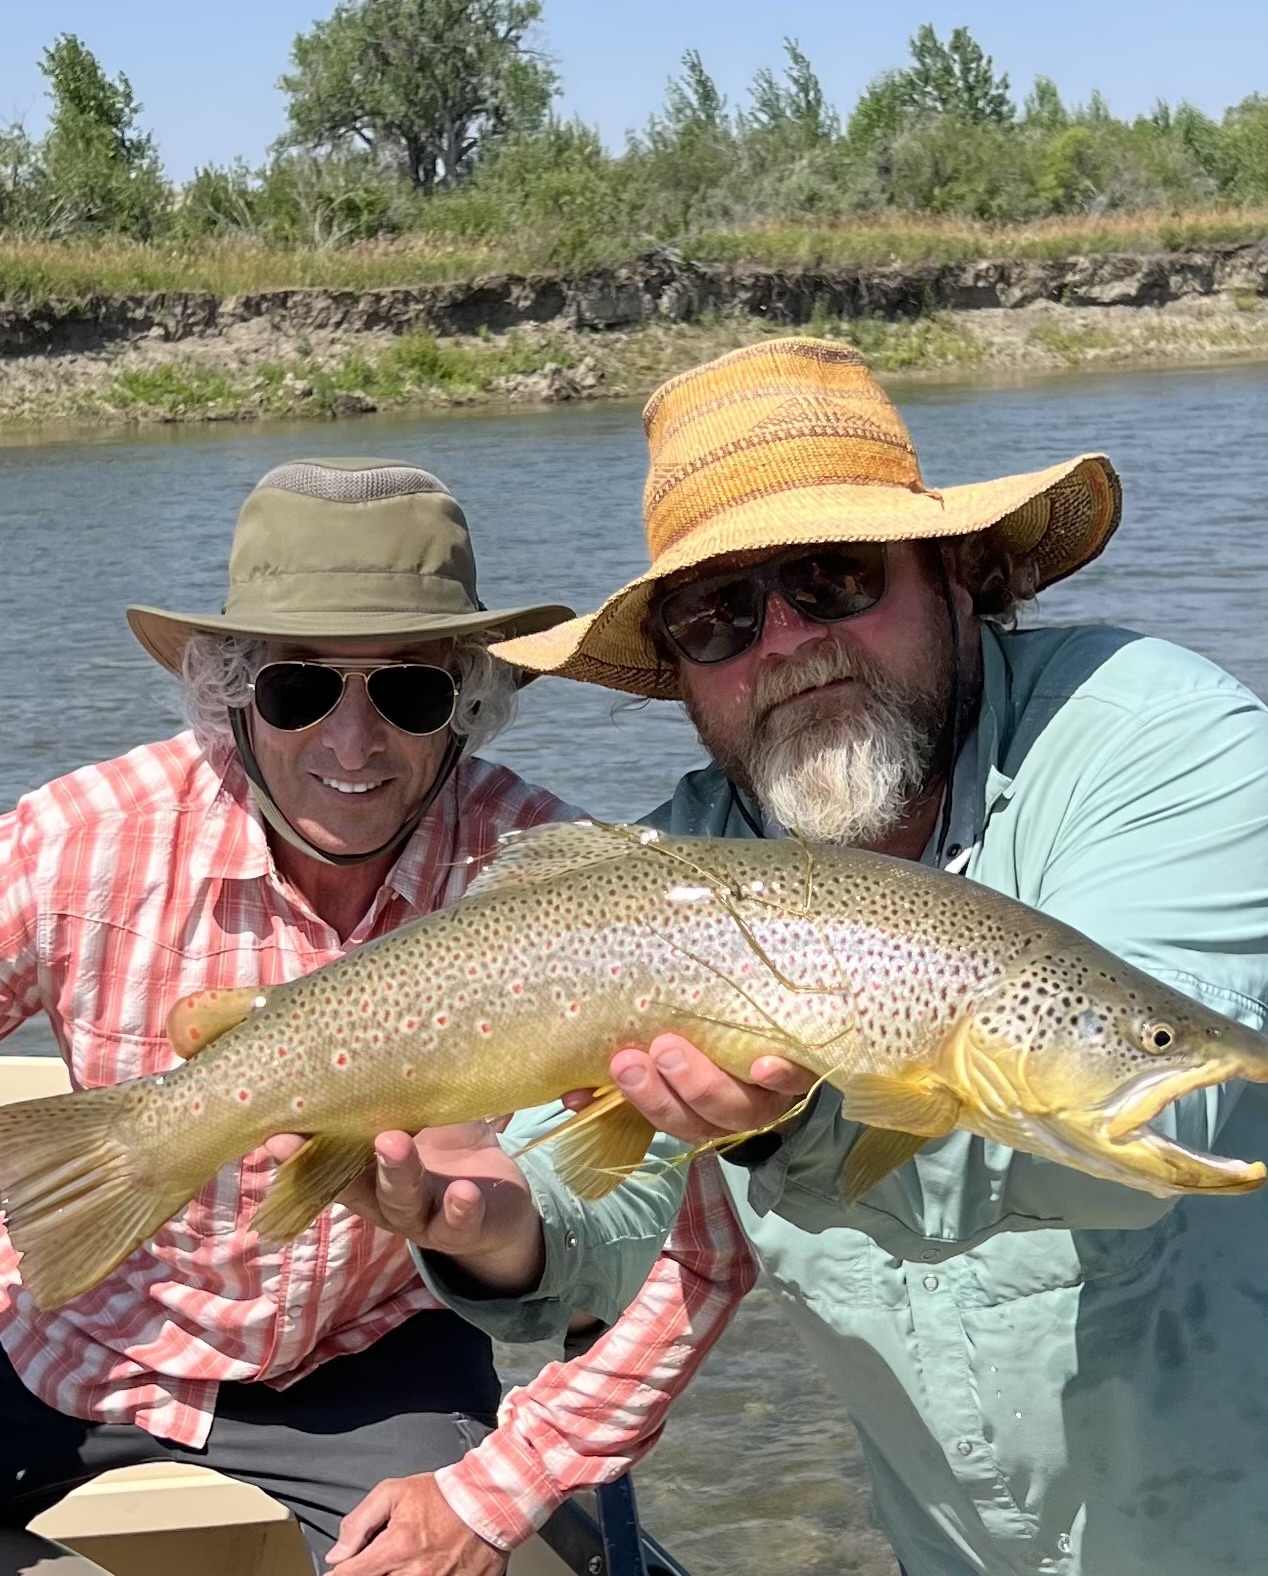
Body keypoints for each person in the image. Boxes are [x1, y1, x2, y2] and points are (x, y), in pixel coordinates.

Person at [335, 341, 1268, 1576]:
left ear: (958, 572)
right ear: (676, 674)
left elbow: (1175, 1112)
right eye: (714, 615)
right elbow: (606, 1211)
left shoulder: (1153, 737)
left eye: (830, 576)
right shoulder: (675, 866)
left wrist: (790, 1127)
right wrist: (491, 1224)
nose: (781, 642)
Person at [0, 456, 681, 1571]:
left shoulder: (567, 885)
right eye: (298, 688)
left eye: (407, 690)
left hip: (369, 1359)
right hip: (69, 1335)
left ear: (469, 698)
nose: (351, 743)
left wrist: (508, 1241)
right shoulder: (81, 840)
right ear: (231, 692)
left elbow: (636, 1222)